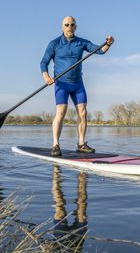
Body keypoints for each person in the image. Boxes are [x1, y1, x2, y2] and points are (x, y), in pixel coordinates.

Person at [40, 16, 114, 156]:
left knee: (83, 112)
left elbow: (100, 50)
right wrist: (46, 76)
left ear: (76, 27)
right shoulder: (54, 44)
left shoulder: (81, 42)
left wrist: (108, 43)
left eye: (72, 25)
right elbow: (43, 62)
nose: (69, 27)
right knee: (61, 112)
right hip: (61, 84)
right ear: (62, 27)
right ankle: (55, 145)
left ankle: (81, 143)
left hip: (77, 84)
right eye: (66, 25)